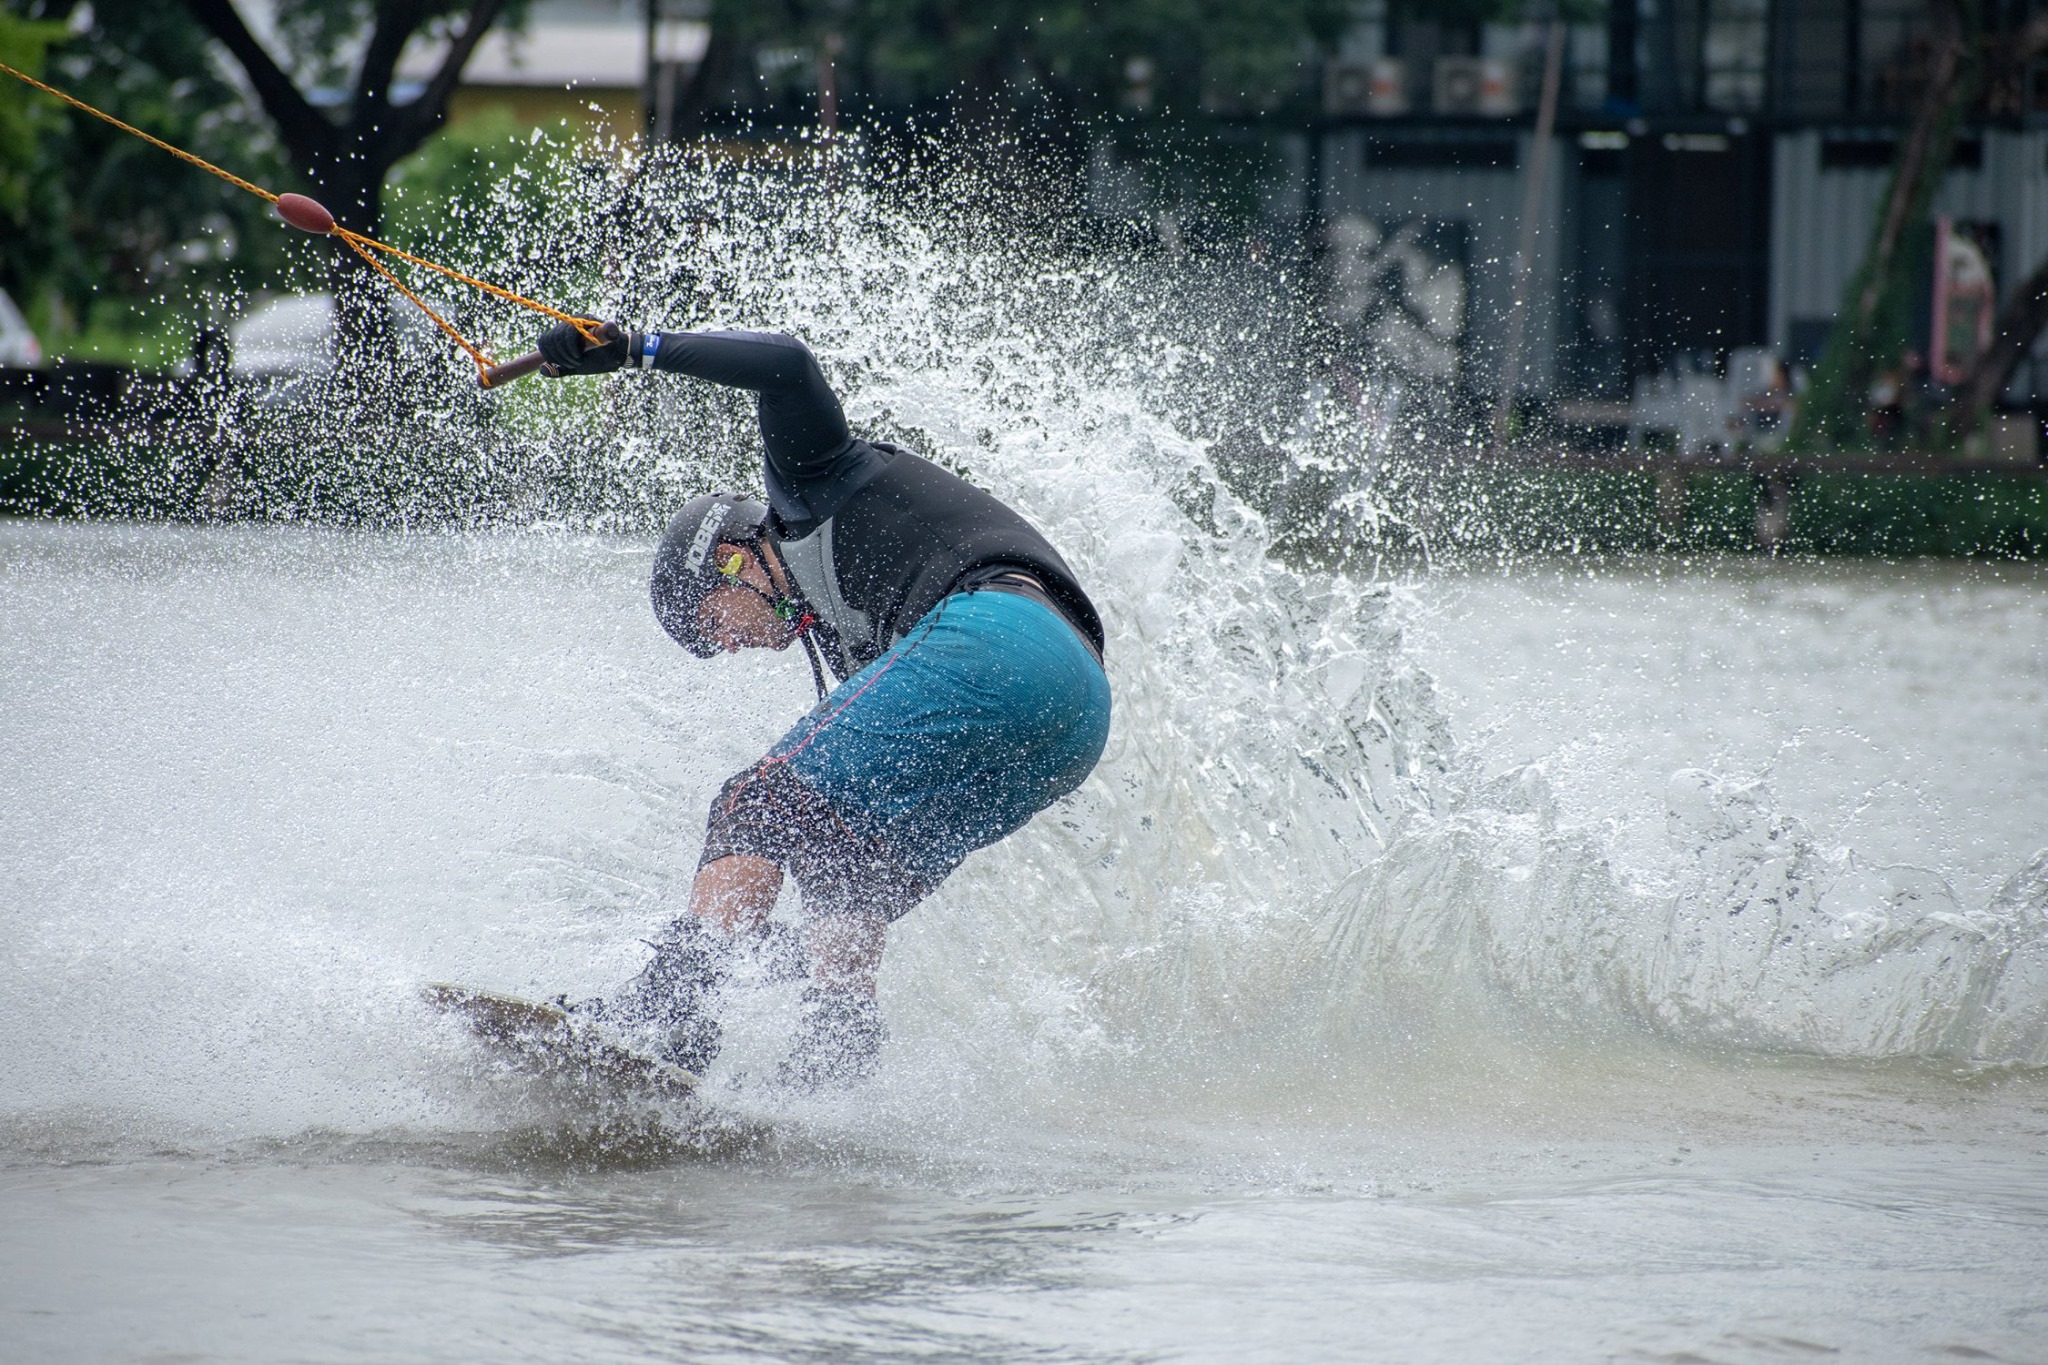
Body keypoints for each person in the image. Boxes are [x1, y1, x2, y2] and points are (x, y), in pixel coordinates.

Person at [535, 322, 1111, 1086]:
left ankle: (669, 1011)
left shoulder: (808, 488)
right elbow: (836, 852)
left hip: (1001, 636)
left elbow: (785, 363)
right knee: (841, 857)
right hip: (1073, 714)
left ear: (732, 555)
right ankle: (832, 1060)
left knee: (752, 803)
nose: (730, 648)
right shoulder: (858, 647)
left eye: (713, 625)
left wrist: (633, 348)